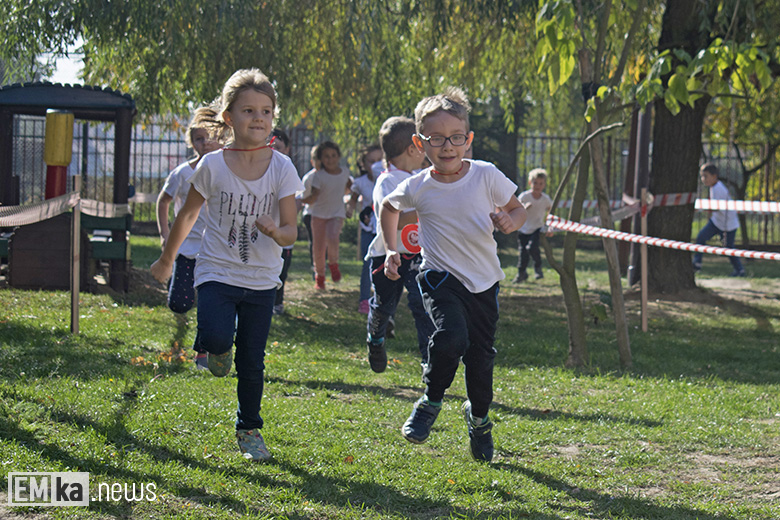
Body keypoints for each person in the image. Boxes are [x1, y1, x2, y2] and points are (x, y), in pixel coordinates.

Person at [150, 68, 303, 462]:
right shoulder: (212, 166)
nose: (258, 118)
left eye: (266, 111)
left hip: (262, 279)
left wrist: (275, 231)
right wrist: (168, 258)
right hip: (216, 270)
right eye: (248, 110)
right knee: (217, 339)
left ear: (274, 117)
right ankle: (217, 351)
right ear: (228, 118)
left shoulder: (283, 168)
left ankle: (249, 428)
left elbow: (291, 233)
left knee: (252, 360)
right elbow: (185, 216)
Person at [378, 87, 527, 462]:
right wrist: (392, 248)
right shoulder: (417, 186)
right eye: (437, 139)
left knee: (480, 360)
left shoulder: (485, 176)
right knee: (449, 337)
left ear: (468, 139)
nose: (448, 146)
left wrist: (510, 220)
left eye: (456, 138)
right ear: (419, 142)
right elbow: (388, 208)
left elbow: (517, 207)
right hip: (440, 277)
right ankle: (430, 401)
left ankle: (478, 420)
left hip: (484, 282)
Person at [365, 117, 434, 374]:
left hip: (417, 256)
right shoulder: (387, 181)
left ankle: (430, 362)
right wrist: (425, 208)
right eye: (422, 143)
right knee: (384, 307)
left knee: (423, 306)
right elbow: (394, 218)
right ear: (412, 148)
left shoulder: (420, 178)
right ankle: (376, 339)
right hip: (387, 256)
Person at [156, 107, 222, 369]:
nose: (204, 143)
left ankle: (203, 353)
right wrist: (164, 234)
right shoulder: (182, 172)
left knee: (209, 304)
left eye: (209, 137)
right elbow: (163, 201)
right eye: (198, 138)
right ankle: (181, 290)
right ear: (191, 142)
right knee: (180, 304)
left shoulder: (225, 169)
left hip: (215, 250)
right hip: (187, 247)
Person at [303, 141, 352, 290]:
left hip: (336, 213)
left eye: (333, 156)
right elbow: (314, 196)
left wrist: (349, 196)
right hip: (318, 215)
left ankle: (333, 264)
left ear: (338, 157)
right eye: (326, 157)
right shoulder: (319, 176)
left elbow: (348, 186)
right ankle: (320, 276)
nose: (330, 159)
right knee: (318, 248)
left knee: (332, 237)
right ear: (321, 159)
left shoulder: (345, 172)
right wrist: (300, 200)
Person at [347, 143, 383, 314]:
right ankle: (364, 300)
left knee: (386, 265)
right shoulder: (361, 182)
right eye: (371, 161)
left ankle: (382, 299)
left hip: (385, 230)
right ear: (363, 164)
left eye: (379, 160)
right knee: (367, 264)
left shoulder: (389, 180)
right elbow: (353, 199)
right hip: (368, 230)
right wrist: (349, 209)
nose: (375, 165)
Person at [692, 162, 745, 276]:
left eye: (705, 176)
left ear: (714, 176)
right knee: (701, 237)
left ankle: (739, 270)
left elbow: (716, 208)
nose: (703, 179)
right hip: (717, 221)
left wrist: (701, 208)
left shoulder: (718, 188)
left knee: (728, 248)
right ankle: (697, 263)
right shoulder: (713, 187)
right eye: (702, 176)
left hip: (728, 224)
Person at [270, 128, 294, 315]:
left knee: (282, 269)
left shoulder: (287, 168)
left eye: (278, 147)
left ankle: (277, 302)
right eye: (269, 145)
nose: (273, 150)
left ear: (287, 149)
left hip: (283, 231)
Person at [514, 168, 552, 283]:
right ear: (530, 183)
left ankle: (538, 269)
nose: (538, 186)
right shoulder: (524, 197)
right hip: (523, 228)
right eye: (535, 183)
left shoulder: (545, 199)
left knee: (532, 248)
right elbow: (517, 210)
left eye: (541, 183)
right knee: (523, 252)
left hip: (537, 228)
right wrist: (525, 208)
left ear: (544, 185)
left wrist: (550, 226)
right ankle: (521, 273)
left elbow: (551, 211)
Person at [299, 145, 321, 280]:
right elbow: (304, 199)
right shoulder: (309, 178)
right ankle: (316, 272)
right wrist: (315, 197)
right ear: (313, 161)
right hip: (312, 215)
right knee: (316, 243)